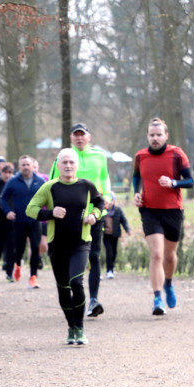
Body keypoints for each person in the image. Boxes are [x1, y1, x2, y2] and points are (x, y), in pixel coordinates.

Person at [27, 148, 104, 345]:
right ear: (58, 165)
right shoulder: (50, 187)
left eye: (71, 162)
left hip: (81, 243)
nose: (68, 166)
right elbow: (30, 209)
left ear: (77, 165)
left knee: (76, 283)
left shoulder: (87, 185)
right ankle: (71, 328)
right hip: (57, 244)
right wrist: (51, 213)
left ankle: (80, 328)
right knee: (63, 288)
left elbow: (99, 202)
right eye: (64, 163)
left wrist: (94, 216)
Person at [50, 123, 111, 317]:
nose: (79, 138)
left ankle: (93, 300)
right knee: (70, 256)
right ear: (71, 138)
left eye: (82, 135)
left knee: (94, 256)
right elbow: (51, 184)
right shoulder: (63, 158)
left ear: (89, 137)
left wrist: (107, 195)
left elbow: (105, 178)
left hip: (93, 214)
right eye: (76, 135)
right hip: (69, 217)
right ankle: (74, 295)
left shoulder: (99, 157)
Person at [133, 117, 193, 315]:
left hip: (173, 210)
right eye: (152, 135)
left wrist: (174, 183)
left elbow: (191, 181)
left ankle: (168, 284)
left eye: (159, 135)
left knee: (169, 255)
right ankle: (157, 298)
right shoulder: (140, 156)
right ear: (148, 136)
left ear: (166, 135)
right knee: (157, 254)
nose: (155, 138)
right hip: (150, 210)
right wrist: (136, 192)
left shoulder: (176, 154)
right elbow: (136, 176)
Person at [0, 154, 45, 287]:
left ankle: (33, 277)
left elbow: (49, 198)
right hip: (19, 221)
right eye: (23, 165)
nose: (25, 167)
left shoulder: (40, 181)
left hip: (35, 221)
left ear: (32, 166)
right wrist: (8, 212)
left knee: (35, 249)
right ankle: (17, 266)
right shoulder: (13, 181)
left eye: (28, 164)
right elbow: (3, 198)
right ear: (19, 167)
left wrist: (46, 213)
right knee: (19, 249)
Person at [103, 192, 131, 278]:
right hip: (106, 235)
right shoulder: (103, 210)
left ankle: (112, 267)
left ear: (113, 201)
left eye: (111, 200)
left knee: (114, 252)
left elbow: (124, 220)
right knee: (109, 252)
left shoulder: (118, 210)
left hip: (115, 234)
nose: (109, 202)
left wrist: (128, 229)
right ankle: (109, 270)